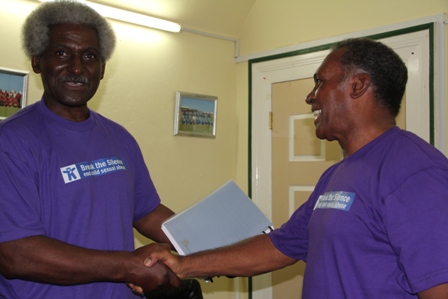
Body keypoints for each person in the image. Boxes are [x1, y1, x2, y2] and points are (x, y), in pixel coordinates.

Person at [145, 38, 448, 298]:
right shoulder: (337, 174)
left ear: (357, 85)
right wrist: (184, 264)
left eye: (321, 81)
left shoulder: (416, 173)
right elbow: (280, 246)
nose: (310, 96)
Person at [0, 1, 181, 298]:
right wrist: (128, 265)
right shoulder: (11, 142)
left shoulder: (120, 138)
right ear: (36, 61)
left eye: (89, 56)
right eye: (61, 53)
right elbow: (15, 254)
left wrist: (207, 246)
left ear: (103, 68)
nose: (76, 67)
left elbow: (146, 212)